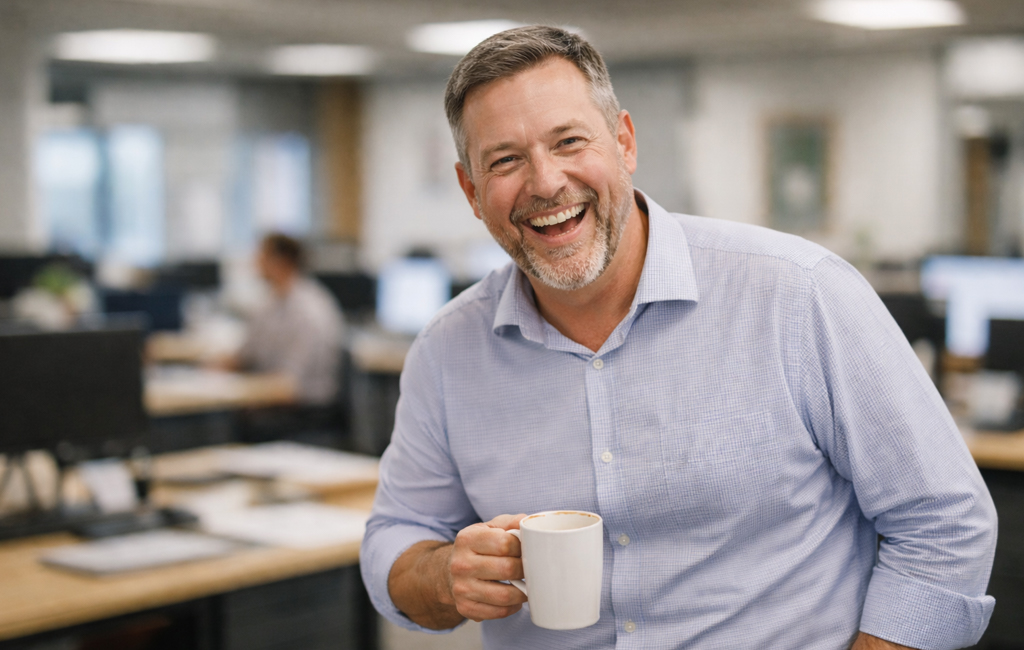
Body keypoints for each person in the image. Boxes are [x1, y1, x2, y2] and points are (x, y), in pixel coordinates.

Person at [361, 26, 996, 650]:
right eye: (505, 160)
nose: (546, 182)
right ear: (472, 191)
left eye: (568, 141)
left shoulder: (800, 294)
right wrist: (443, 579)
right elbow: (398, 534)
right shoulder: (447, 351)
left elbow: (945, 522)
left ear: (624, 143)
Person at [232, 233, 345, 407]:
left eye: (260, 255)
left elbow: (289, 384)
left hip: (305, 407)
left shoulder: (309, 310)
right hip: (273, 395)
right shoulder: (269, 303)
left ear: (280, 261)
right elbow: (247, 356)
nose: (254, 262)